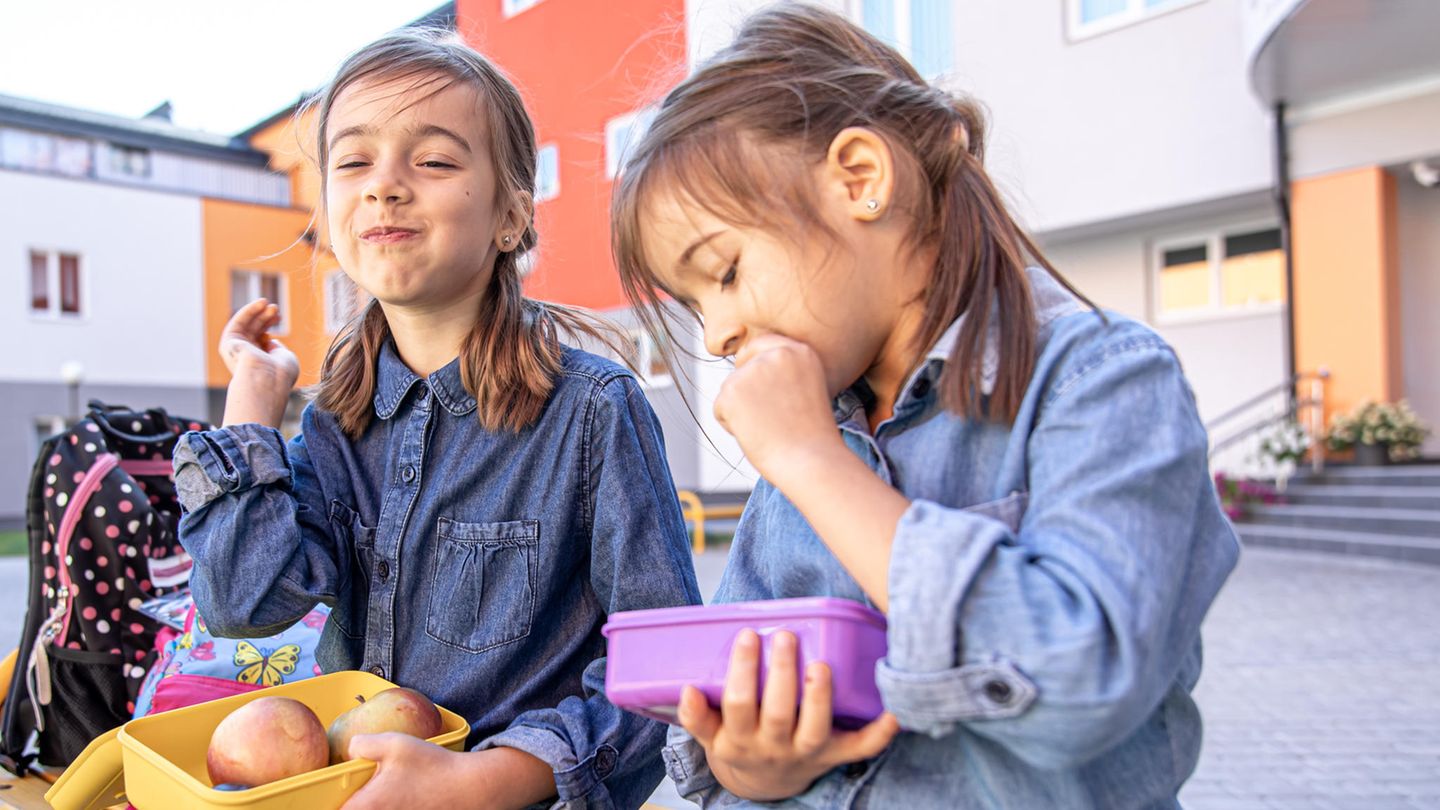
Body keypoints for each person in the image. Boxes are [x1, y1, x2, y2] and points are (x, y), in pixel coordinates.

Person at [609, 4, 1240, 807]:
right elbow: (716, 724)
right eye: (695, 308)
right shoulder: (812, 437)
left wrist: (813, 463)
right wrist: (751, 765)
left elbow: (1082, 685)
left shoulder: (1102, 381)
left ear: (860, 179)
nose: (720, 334)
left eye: (725, 272)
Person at [174, 29, 700, 810]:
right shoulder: (333, 427)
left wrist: (483, 781)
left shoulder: (592, 412)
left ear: (511, 217)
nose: (384, 185)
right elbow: (246, 605)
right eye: (353, 161)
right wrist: (253, 401)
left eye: (434, 160)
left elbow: (667, 674)